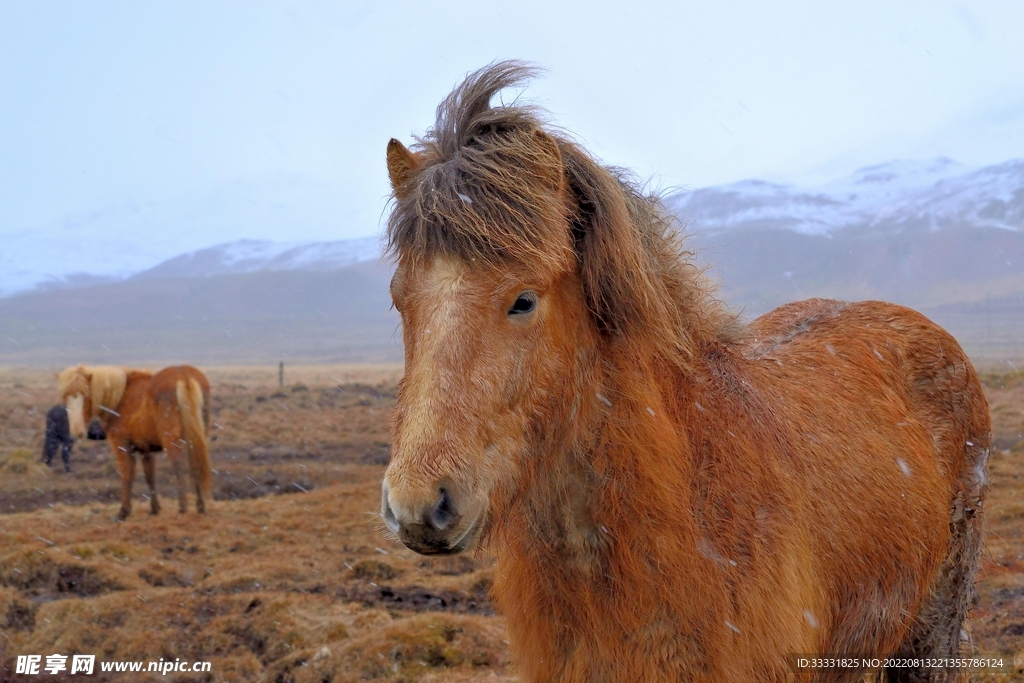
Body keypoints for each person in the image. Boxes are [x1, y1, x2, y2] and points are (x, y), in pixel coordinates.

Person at [43, 404, 74, 472]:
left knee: (51, 444)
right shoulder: (70, 410)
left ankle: (47, 462)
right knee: (67, 444)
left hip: (54, 428)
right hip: (65, 429)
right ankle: (67, 466)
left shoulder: (53, 410)